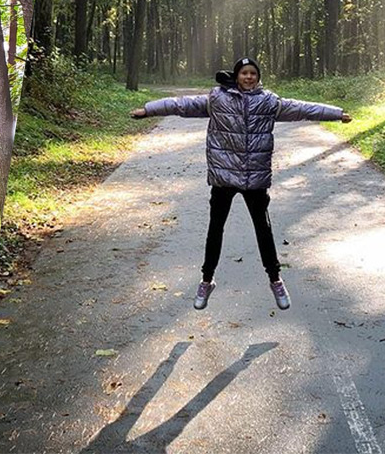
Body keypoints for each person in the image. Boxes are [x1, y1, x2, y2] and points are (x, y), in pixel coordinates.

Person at [131, 57, 351, 311]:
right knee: (215, 229)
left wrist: (336, 114)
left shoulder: (269, 102)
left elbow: (303, 108)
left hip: (254, 179)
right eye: (244, 73)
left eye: (253, 73)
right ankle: (206, 281)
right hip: (224, 178)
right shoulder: (218, 99)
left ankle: (276, 280)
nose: (249, 77)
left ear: (258, 77)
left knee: (263, 230)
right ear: (236, 76)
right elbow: (181, 104)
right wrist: (148, 109)